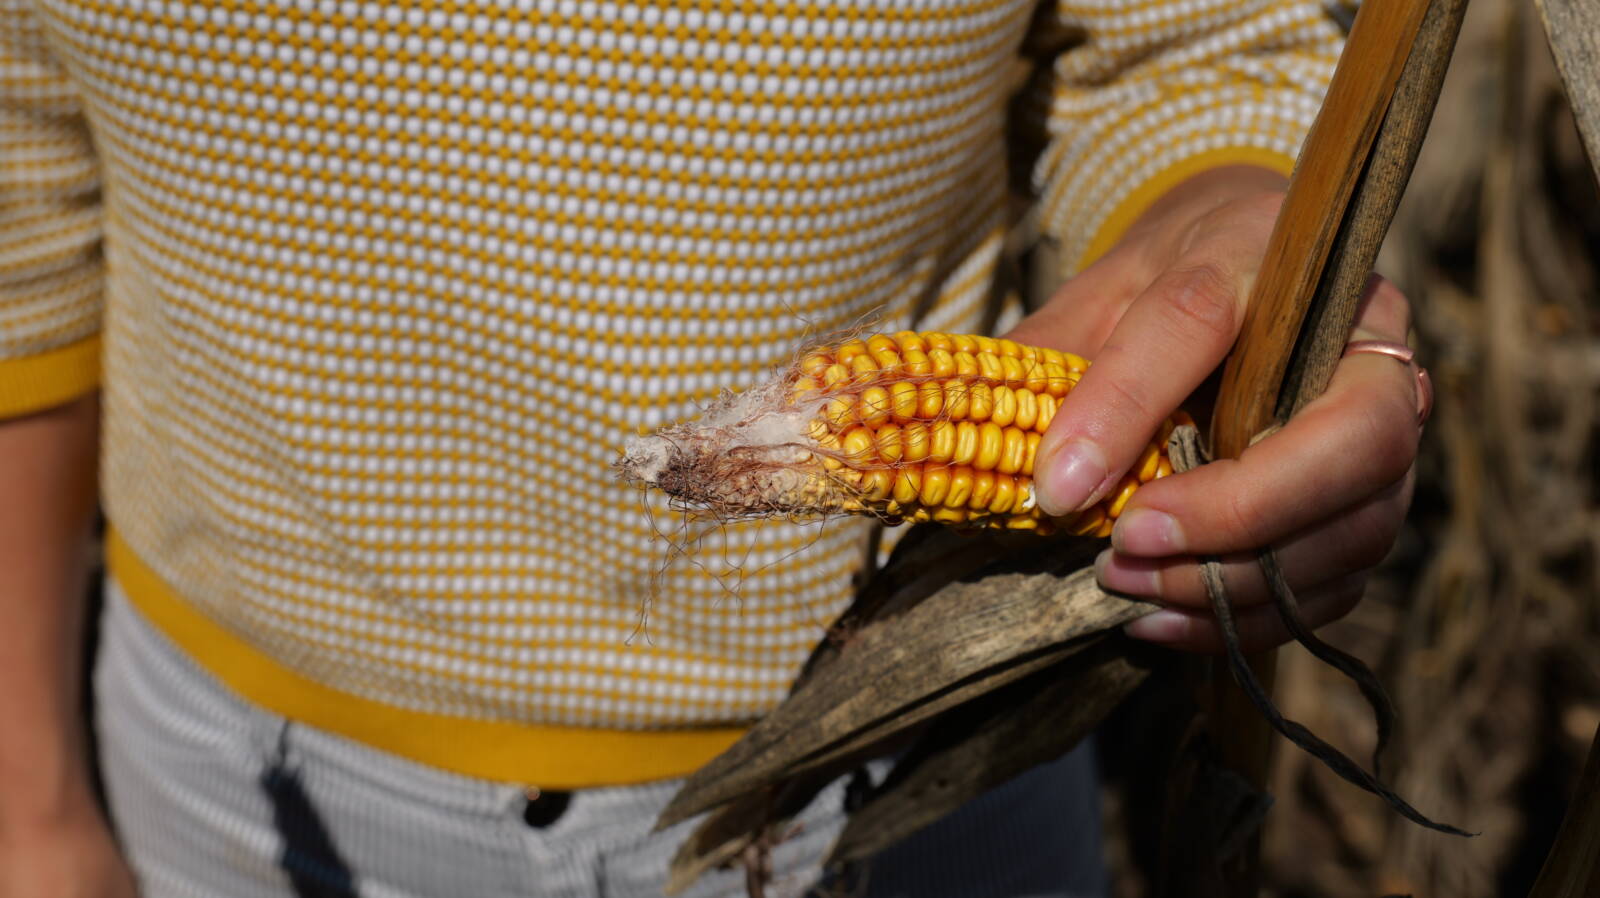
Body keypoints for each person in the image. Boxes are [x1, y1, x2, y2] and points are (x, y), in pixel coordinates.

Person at [0, 1, 1428, 896]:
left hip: (905, 780)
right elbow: (22, 176)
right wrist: (26, 797)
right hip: (240, 785)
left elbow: (1175, 43)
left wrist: (1239, 235)